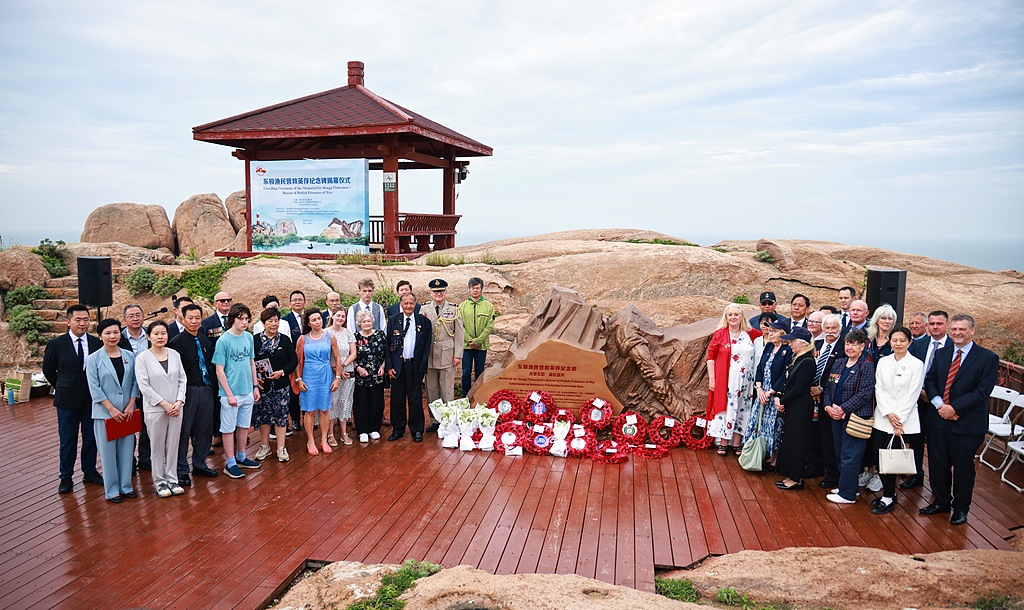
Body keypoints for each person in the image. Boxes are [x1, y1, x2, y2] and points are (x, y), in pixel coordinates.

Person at [920, 314, 999, 525]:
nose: (957, 333)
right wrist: (940, 406)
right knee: (938, 464)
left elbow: (982, 392)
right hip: (938, 419)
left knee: (963, 468)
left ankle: (961, 508)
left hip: (966, 424)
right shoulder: (942, 352)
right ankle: (942, 501)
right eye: (954, 329)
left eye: (962, 329)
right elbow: (931, 380)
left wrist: (954, 408)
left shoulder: (987, 358)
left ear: (972, 331)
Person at [42, 304, 103, 494]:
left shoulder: (96, 343)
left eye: (86, 319)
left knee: (91, 437)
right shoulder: (56, 344)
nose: (82, 323)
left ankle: (90, 471)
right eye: (78, 320)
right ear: (68, 322)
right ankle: (66, 477)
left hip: (91, 399)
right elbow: (48, 370)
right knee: (67, 439)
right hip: (67, 399)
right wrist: (63, 385)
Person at [869, 326, 923, 514]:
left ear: (910, 342)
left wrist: (898, 418)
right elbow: (879, 388)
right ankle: (888, 494)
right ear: (889, 341)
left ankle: (888, 497)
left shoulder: (916, 364)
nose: (898, 344)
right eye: (895, 340)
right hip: (883, 417)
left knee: (895, 458)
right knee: (880, 457)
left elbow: (913, 393)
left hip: (904, 419)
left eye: (902, 340)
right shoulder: (883, 362)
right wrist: (888, 413)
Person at [86, 318, 141, 503]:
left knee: (127, 451)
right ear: (100, 336)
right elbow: (94, 388)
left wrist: (131, 403)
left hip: (127, 412)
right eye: (108, 333)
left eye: (116, 332)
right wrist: (111, 409)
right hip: (105, 413)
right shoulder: (93, 359)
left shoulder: (129, 355)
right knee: (108, 453)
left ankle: (126, 486)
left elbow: (135, 382)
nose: (112, 336)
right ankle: (112, 490)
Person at [134, 320, 187, 498]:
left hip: (176, 408)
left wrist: (179, 401)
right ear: (148, 336)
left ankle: (172, 479)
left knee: (173, 444)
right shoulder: (142, 358)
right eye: (156, 333)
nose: (160, 336)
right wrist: (164, 404)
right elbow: (144, 386)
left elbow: (182, 379)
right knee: (156, 447)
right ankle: (160, 482)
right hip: (156, 409)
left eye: (163, 333)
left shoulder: (174, 354)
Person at [166, 303, 218, 486]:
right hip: (186, 392)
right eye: (190, 318)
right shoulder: (176, 343)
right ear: (183, 318)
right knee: (183, 432)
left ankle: (199, 463)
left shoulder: (204, 339)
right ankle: (181, 470)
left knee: (204, 430)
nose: (194, 321)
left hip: (205, 389)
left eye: (198, 318)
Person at [822, 328, 876, 504]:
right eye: (847, 343)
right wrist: (829, 407)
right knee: (839, 453)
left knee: (850, 456)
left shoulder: (866, 365)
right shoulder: (839, 363)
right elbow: (829, 388)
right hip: (835, 416)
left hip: (854, 417)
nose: (850, 347)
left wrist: (843, 409)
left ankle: (847, 494)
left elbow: (865, 393)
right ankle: (848, 486)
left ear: (862, 347)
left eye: (854, 344)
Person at [212, 303, 262, 479]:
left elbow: (251, 363)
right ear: (232, 319)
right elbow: (219, 370)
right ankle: (230, 462)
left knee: (243, 426)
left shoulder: (248, 337)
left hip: (247, 390)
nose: (244, 322)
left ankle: (242, 456)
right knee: (228, 428)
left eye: (247, 319)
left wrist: (255, 386)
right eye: (241, 319)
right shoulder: (223, 340)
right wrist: (229, 394)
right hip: (229, 393)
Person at [705, 303, 761, 455]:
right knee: (726, 409)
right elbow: (710, 357)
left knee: (743, 409)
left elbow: (767, 340)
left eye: (736, 314)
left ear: (742, 316)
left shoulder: (751, 333)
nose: (733, 317)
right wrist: (712, 379)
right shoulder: (720, 334)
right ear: (726, 317)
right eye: (730, 314)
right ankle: (723, 442)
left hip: (746, 382)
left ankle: (737, 443)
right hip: (726, 381)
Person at [903, 309, 950, 489]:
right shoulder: (919, 345)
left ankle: (940, 484)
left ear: (947, 325)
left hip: (941, 403)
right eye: (932, 324)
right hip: (918, 398)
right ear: (927, 325)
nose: (935, 327)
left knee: (937, 444)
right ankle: (916, 474)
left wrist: (933, 395)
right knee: (915, 438)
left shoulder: (952, 346)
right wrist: (919, 392)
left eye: (939, 324)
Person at [773, 326, 816, 490]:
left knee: (797, 442)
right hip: (792, 404)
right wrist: (780, 396)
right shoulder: (797, 358)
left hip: (800, 406)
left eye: (792, 341)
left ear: (803, 343)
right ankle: (789, 474)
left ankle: (796, 478)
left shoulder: (808, 362)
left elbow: (799, 388)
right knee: (789, 440)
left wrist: (782, 400)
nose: (790, 344)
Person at [252, 307, 298, 462]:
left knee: (281, 417)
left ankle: (281, 447)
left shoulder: (284, 340)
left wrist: (282, 372)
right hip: (262, 386)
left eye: (276, 320)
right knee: (263, 417)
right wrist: (255, 379)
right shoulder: (255, 340)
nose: (273, 324)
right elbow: (250, 362)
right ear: (263, 323)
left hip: (281, 385)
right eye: (270, 321)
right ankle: (264, 446)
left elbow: (293, 361)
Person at [294, 307, 342, 455]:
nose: (317, 322)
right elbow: (297, 360)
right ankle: (310, 440)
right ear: (308, 323)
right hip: (308, 375)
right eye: (314, 320)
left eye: (319, 318)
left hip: (325, 374)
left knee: (325, 409)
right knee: (309, 411)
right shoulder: (302, 339)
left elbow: (337, 358)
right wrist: (298, 379)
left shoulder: (330, 337)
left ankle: (323, 440)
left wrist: (338, 377)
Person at [386, 293, 433, 442]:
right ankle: (398, 429)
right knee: (397, 400)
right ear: (401, 304)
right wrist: (389, 366)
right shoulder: (393, 321)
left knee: (415, 399)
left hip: (415, 366)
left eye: (411, 303)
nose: (408, 306)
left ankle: (417, 430)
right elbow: (388, 346)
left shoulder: (424, 322)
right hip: (398, 366)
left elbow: (426, 347)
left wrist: (422, 367)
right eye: (405, 303)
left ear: (415, 305)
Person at [746, 319, 792, 464]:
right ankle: (757, 453)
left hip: (775, 395)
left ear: (783, 333)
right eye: (770, 331)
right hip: (761, 393)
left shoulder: (788, 351)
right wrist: (759, 388)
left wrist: (770, 392)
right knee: (758, 423)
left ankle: (774, 456)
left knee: (774, 426)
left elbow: (784, 375)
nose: (770, 334)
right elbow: (760, 367)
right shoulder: (768, 347)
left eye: (774, 331)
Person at [423, 279, 464, 432]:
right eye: (435, 291)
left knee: (447, 390)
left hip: (447, 354)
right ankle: (435, 420)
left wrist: (458, 354)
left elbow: (459, 334)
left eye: (441, 291)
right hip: (429, 356)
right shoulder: (424, 309)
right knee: (431, 389)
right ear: (430, 292)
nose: (438, 294)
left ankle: (449, 420)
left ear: (446, 292)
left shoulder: (454, 309)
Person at [810, 314, 845, 488]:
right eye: (827, 328)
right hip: (811, 396)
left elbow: (839, 375)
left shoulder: (843, 348)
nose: (830, 331)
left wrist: (821, 388)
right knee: (814, 433)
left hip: (830, 398)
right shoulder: (815, 345)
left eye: (834, 328)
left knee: (829, 436)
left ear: (839, 329)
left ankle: (832, 473)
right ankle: (816, 465)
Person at [119, 304, 151, 472]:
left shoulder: (151, 334)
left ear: (143, 316)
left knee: (148, 424)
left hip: (149, 388)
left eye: (138, 314)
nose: (135, 318)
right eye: (131, 316)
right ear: (125, 319)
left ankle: (145, 458)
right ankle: (128, 461)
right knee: (128, 425)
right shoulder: (118, 337)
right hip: (126, 388)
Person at [200, 291, 233, 445]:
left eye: (228, 300)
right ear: (215, 303)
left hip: (234, 369)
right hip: (215, 369)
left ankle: (237, 431)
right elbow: (206, 347)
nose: (226, 303)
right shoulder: (207, 323)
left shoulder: (236, 320)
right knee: (217, 401)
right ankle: (217, 433)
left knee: (235, 399)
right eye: (222, 301)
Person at [353, 310, 388, 443]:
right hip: (361, 375)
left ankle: (374, 428)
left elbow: (386, 353)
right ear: (359, 323)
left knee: (377, 401)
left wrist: (383, 366)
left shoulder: (380, 335)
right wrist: (358, 368)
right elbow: (352, 355)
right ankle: (362, 430)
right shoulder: (355, 337)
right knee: (361, 402)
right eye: (363, 322)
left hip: (377, 374)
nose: (367, 323)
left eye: (368, 321)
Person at [459, 277, 496, 398]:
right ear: (469, 289)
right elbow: (460, 325)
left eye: (477, 288)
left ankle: (479, 395)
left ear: (481, 289)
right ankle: (466, 396)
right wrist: (469, 340)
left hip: (481, 346)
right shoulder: (462, 306)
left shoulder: (488, 306)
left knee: (480, 372)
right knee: (466, 372)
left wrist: (478, 340)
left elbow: (489, 325)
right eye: (473, 288)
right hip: (466, 346)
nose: (475, 290)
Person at [327, 309, 357, 446]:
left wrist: (342, 367)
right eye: (338, 315)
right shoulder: (326, 332)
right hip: (331, 372)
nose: (340, 318)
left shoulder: (348, 332)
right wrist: (335, 368)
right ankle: (330, 433)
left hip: (347, 371)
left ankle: (344, 433)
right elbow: (324, 354)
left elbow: (353, 353)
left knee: (344, 401)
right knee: (332, 402)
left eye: (343, 316)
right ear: (332, 316)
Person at [281, 290, 306, 431]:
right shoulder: (285, 320)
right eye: (295, 299)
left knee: (307, 388)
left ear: (304, 302)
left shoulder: (309, 317)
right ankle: (295, 419)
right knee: (294, 390)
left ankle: (308, 415)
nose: (297, 302)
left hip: (309, 358)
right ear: (290, 303)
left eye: (300, 299)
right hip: (293, 359)